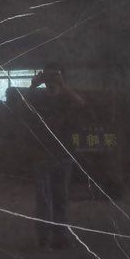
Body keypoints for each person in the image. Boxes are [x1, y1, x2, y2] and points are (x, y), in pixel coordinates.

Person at [25, 63, 84, 248]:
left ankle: (60, 237)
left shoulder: (66, 98)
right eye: (48, 75)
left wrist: (63, 86)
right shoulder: (39, 97)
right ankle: (44, 238)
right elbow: (22, 106)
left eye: (54, 75)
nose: (50, 80)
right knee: (44, 198)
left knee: (61, 197)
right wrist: (33, 85)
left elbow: (81, 103)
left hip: (62, 154)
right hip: (42, 154)